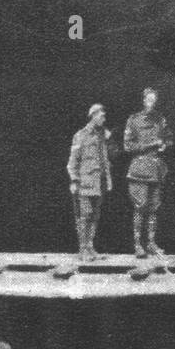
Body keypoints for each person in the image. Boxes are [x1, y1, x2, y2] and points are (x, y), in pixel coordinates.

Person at [123, 87, 173, 256]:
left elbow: (169, 138)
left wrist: (165, 144)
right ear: (144, 101)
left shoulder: (161, 120)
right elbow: (127, 145)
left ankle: (151, 243)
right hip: (139, 169)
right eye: (149, 100)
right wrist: (150, 145)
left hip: (156, 170)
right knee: (140, 207)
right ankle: (138, 245)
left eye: (154, 100)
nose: (152, 103)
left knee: (153, 208)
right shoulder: (134, 120)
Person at [67, 103, 117, 260]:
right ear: (93, 116)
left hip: (99, 183)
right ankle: (82, 249)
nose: (103, 118)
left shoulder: (104, 135)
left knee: (95, 216)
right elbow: (72, 161)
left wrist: (110, 140)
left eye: (104, 116)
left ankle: (90, 246)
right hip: (85, 182)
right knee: (85, 215)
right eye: (101, 116)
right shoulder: (81, 135)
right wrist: (74, 180)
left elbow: (109, 158)